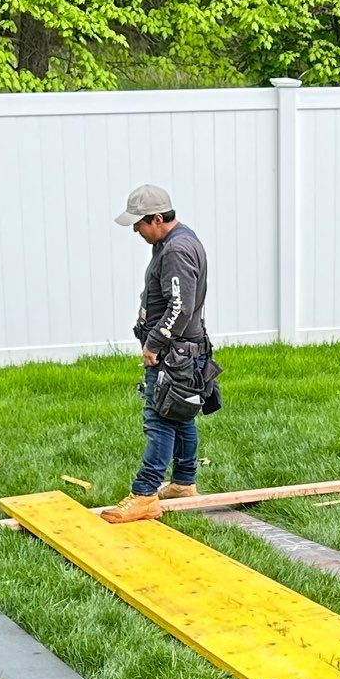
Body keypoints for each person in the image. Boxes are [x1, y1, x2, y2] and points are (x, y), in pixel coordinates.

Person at [104, 183, 218, 522]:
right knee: (180, 413)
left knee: (159, 417)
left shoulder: (175, 250)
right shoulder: (176, 241)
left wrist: (154, 344)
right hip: (183, 348)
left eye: (139, 224)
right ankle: (184, 482)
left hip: (173, 352)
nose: (136, 231)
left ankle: (145, 493)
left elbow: (179, 308)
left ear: (156, 218)